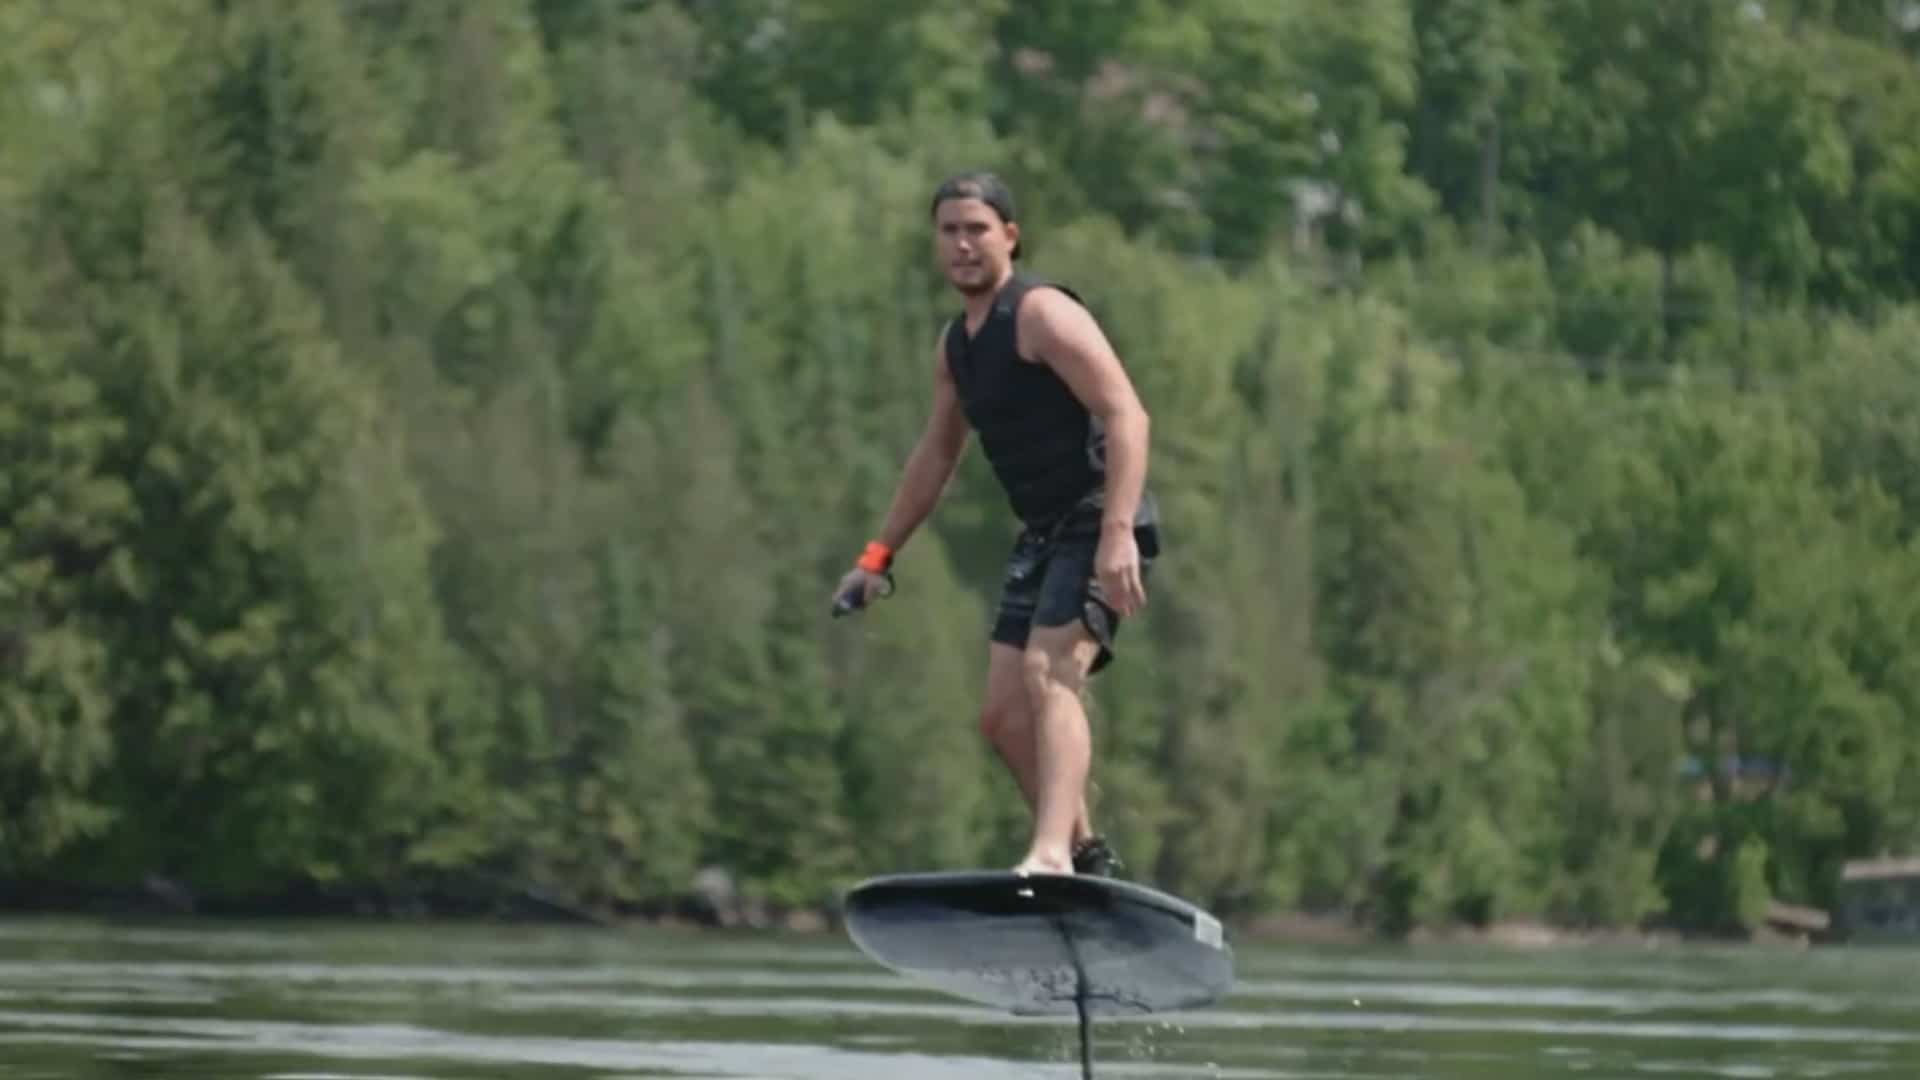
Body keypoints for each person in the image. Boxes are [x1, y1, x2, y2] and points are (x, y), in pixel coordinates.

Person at [830, 171, 1160, 878]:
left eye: (977, 229)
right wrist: (877, 555)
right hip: (1042, 530)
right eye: (948, 230)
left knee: (1051, 671)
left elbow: (1127, 413)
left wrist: (1118, 533)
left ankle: (1048, 857)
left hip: (1099, 516)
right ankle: (1081, 853)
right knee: (1002, 718)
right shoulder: (958, 346)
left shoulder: (1041, 314)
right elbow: (935, 454)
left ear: (1009, 236)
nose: (962, 244)